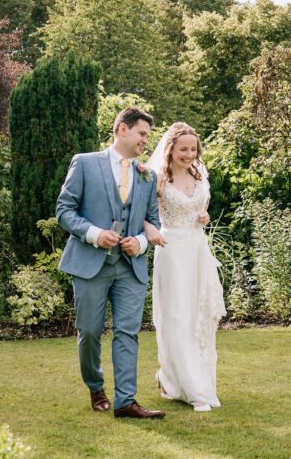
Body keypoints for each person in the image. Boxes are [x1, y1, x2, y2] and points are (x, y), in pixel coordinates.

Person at [56, 107, 167, 419]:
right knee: (90, 332)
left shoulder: (147, 175)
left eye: (147, 134)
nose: (146, 140)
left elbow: (152, 221)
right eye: (142, 133)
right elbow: (64, 210)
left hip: (129, 268)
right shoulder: (85, 163)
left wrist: (141, 242)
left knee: (127, 332)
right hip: (90, 263)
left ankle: (126, 401)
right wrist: (93, 234)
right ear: (122, 129)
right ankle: (95, 385)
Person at [144, 122, 227, 412]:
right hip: (171, 250)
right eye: (183, 149)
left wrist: (203, 215)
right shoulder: (157, 179)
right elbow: (138, 212)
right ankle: (194, 391)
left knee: (199, 316)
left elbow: (201, 206)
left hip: (197, 249)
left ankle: (189, 381)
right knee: (178, 317)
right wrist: (148, 229)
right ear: (170, 149)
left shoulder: (199, 173)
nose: (189, 154)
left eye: (193, 149)